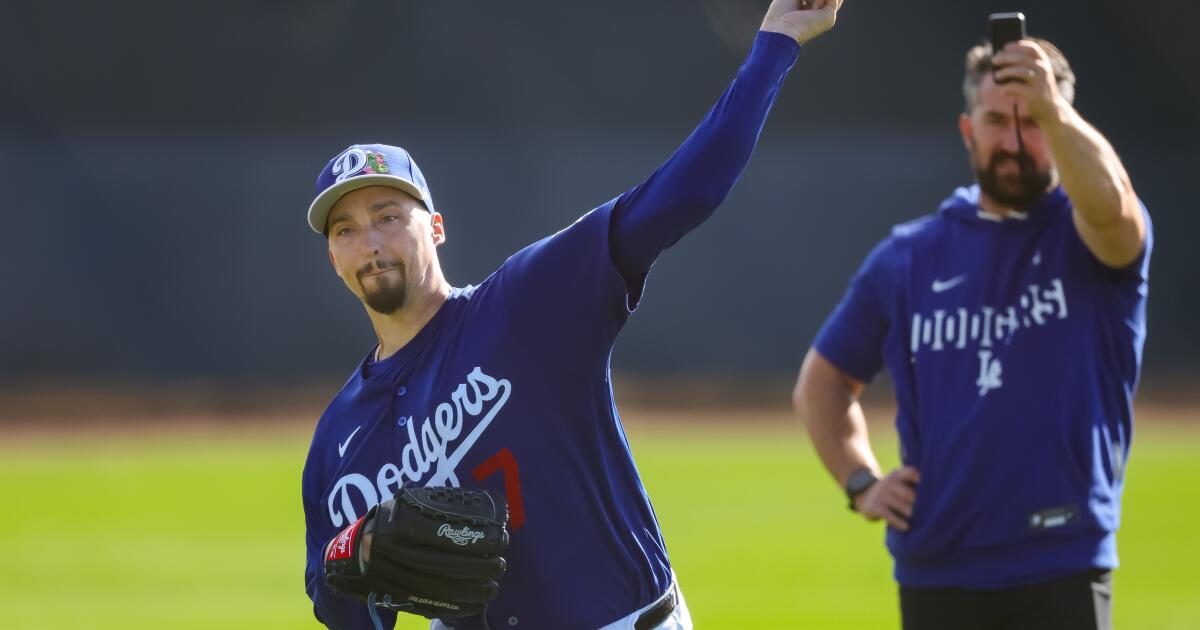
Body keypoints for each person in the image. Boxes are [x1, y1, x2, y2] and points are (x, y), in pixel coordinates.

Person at [301, 2, 845, 628]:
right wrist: (354, 553)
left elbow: (684, 191)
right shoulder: (337, 446)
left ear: (437, 228)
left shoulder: (528, 304)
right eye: (346, 229)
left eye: (389, 216)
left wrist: (778, 39)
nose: (370, 242)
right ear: (333, 258)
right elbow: (342, 609)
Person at [793, 35, 1150, 630]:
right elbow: (821, 383)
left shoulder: (1087, 235)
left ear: (1060, 127)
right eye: (995, 122)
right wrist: (861, 481)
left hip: (1061, 561)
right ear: (968, 131)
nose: (1014, 141)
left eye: (1032, 122)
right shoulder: (909, 255)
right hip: (938, 570)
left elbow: (1113, 209)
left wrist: (1055, 110)